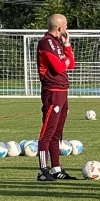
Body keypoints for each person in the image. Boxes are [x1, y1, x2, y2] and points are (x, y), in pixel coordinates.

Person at [35, 13, 77, 181]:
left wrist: (67, 45)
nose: (66, 29)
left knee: (57, 133)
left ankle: (56, 168)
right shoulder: (46, 42)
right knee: (47, 132)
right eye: (65, 26)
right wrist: (66, 60)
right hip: (52, 91)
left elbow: (71, 64)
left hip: (62, 91)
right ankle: (42, 171)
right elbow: (60, 67)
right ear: (60, 28)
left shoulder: (58, 42)